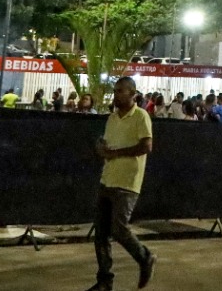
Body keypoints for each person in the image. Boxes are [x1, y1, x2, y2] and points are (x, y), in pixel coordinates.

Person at [90, 76, 155, 291]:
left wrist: (116, 153)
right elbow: (107, 145)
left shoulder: (141, 116)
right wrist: (102, 148)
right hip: (107, 179)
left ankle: (144, 256)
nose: (116, 95)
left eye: (120, 91)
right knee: (100, 234)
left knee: (118, 229)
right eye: (115, 91)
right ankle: (104, 281)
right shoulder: (112, 119)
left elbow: (146, 146)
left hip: (127, 182)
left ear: (132, 93)